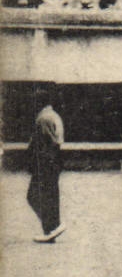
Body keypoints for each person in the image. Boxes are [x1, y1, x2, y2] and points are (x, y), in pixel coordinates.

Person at [27, 89, 67, 242]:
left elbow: (47, 143)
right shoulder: (54, 115)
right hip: (53, 160)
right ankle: (51, 228)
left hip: (46, 161)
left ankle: (52, 226)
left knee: (34, 196)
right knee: (49, 195)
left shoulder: (43, 118)